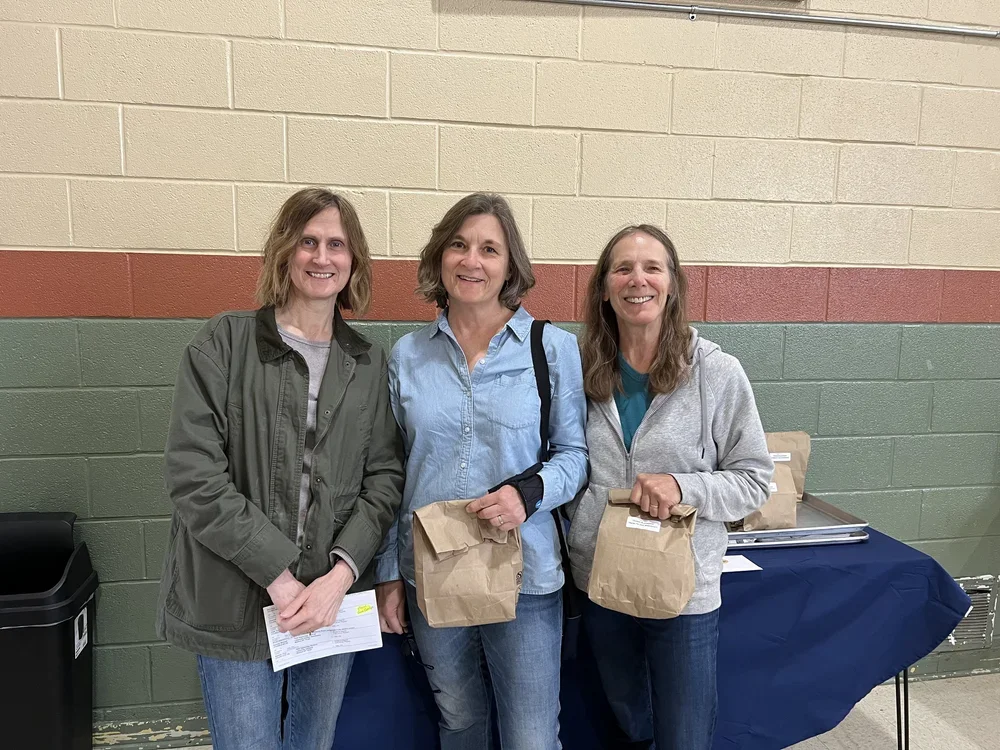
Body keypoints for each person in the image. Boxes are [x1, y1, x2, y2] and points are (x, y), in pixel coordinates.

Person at [155, 188, 404, 749]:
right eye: (308, 241)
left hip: (329, 600)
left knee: (313, 743)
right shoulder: (225, 342)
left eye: (337, 244)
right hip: (237, 600)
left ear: (354, 260)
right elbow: (195, 475)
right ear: (284, 252)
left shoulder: (366, 363)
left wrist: (338, 578)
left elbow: (385, 478)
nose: (322, 257)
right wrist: (280, 577)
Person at [374, 193, 589, 750]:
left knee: (532, 738)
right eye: (459, 245)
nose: (473, 261)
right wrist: (387, 573)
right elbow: (387, 473)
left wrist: (529, 493)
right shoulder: (406, 356)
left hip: (526, 575)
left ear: (510, 265)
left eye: (490, 249)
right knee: (461, 723)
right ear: (440, 258)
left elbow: (575, 456)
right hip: (432, 574)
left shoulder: (552, 349)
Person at [566, 225, 773, 750]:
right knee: (629, 725)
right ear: (604, 287)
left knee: (683, 735)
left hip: (683, 592)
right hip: (602, 581)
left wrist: (684, 487)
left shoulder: (718, 374)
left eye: (652, 267)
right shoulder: (578, 370)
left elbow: (754, 480)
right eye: (623, 268)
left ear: (673, 284)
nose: (638, 280)